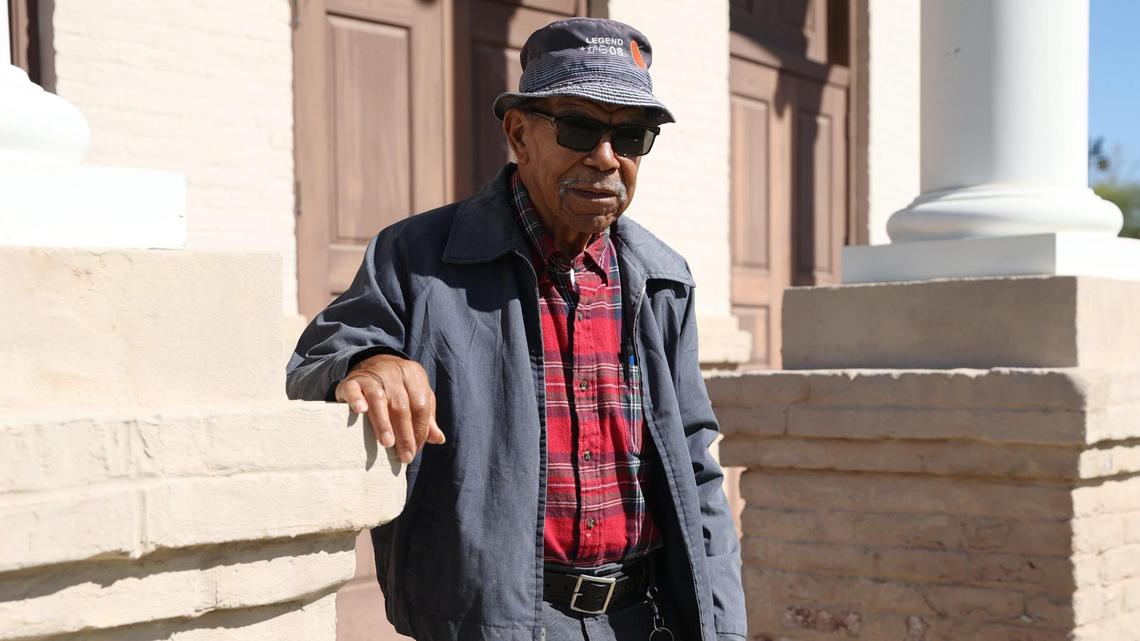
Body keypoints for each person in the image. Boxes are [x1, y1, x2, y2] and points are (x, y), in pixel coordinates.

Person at [287, 17, 745, 641]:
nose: (606, 158)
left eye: (631, 136)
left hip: (643, 618)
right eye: (580, 127)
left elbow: (695, 466)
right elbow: (313, 364)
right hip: (487, 620)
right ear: (519, 134)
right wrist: (370, 363)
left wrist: (720, 625)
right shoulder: (417, 257)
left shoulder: (664, 279)